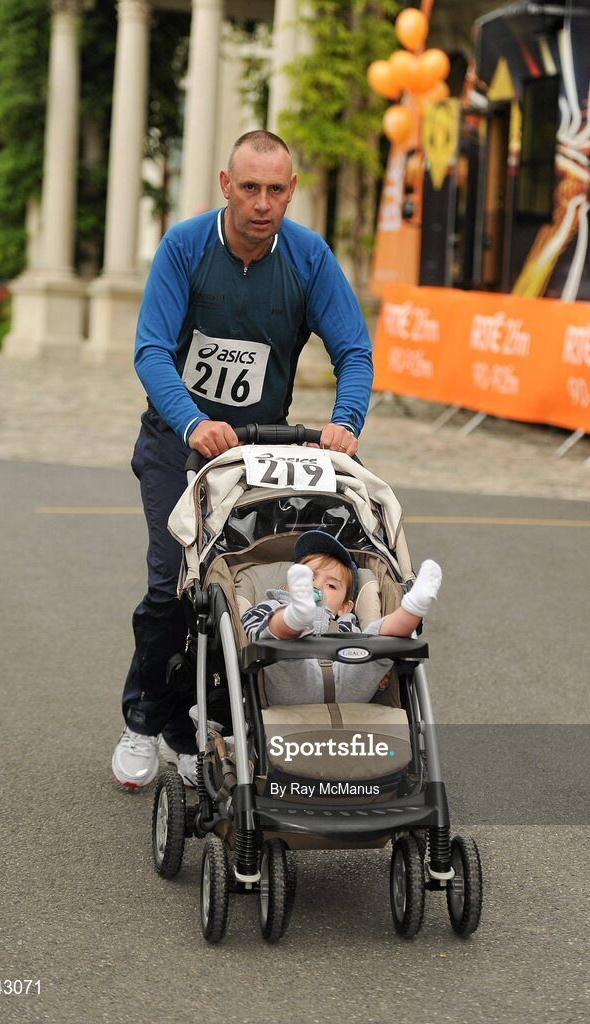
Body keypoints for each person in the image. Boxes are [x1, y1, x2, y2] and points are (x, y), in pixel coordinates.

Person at [112, 130, 374, 789]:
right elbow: (150, 350)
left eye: (276, 190)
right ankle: (146, 722)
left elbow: (354, 351)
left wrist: (345, 424)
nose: (262, 203)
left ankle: (209, 728)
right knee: (174, 581)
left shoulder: (309, 258)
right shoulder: (185, 247)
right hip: (180, 441)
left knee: (245, 589)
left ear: (291, 192)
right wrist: (194, 421)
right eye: (250, 187)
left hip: (263, 452)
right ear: (226, 185)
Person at [241, 531, 443, 707]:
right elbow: (253, 630)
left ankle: (413, 607)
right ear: (287, 587)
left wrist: (376, 678)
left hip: (347, 688)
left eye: (331, 586)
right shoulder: (271, 606)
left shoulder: (347, 623)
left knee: (375, 637)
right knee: (274, 635)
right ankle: (296, 616)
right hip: (294, 684)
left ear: (345, 607)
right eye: (310, 578)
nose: (318, 586)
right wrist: (289, 615)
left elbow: (365, 666)